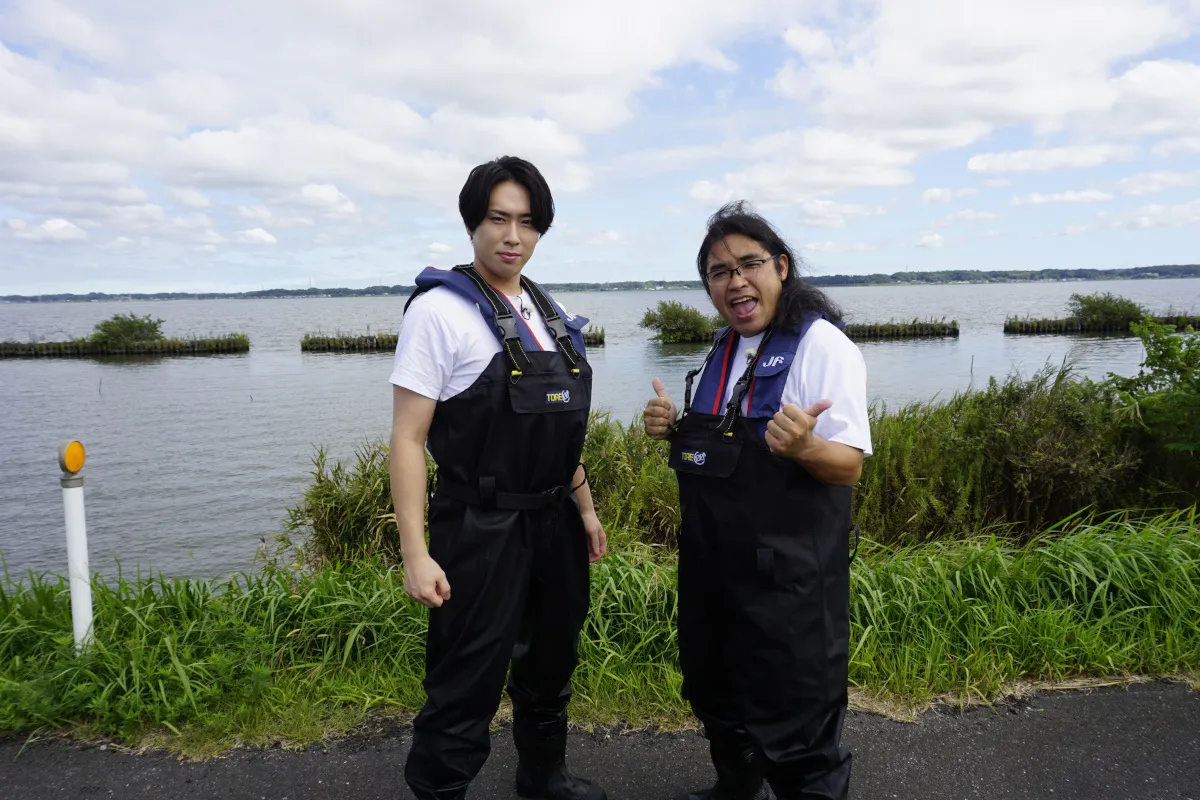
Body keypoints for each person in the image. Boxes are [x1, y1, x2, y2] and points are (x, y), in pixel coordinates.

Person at [389, 155, 608, 800]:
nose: (512, 235)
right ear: (472, 224)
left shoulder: (551, 310)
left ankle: (544, 781)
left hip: (556, 521)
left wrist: (586, 511)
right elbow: (407, 437)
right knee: (466, 679)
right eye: (498, 219)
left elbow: (558, 436)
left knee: (550, 669)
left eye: (527, 222)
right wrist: (415, 552)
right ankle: (440, 789)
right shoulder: (438, 313)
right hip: (480, 527)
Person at [643, 201, 871, 800]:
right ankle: (735, 788)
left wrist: (805, 448)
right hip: (714, 571)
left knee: (797, 723)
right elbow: (719, 454)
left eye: (749, 264)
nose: (735, 281)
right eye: (719, 272)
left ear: (783, 267)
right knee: (717, 694)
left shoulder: (821, 346)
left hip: (789, 581)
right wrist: (674, 426)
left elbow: (847, 465)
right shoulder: (722, 350)